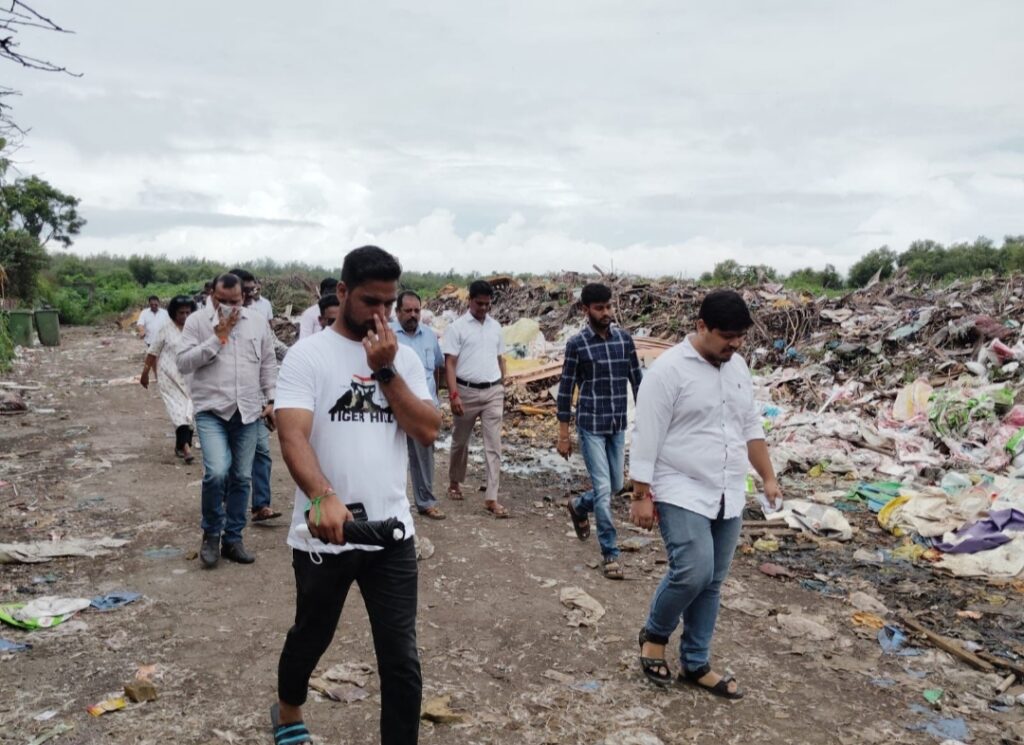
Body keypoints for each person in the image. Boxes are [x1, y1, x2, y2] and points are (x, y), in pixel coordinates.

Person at [272, 245, 440, 745]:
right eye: (371, 302)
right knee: (312, 636)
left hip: (390, 532)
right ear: (343, 292)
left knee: (401, 658)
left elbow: (427, 430)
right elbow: (292, 435)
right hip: (325, 532)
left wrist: (385, 371)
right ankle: (287, 712)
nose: (381, 314)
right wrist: (321, 495)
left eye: (389, 303)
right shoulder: (308, 356)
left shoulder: (403, 358)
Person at [630, 289, 782, 698]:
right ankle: (654, 635)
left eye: (741, 336)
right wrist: (640, 494)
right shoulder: (668, 371)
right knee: (693, 571)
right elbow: (647, 432)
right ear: (701, 326)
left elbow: (750, 426)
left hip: (728, 488)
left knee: (712, 580)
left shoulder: (738, 367)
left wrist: (767, 476)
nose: (735, 344)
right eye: (727, 336)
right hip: (680, 484)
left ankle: (696, 663)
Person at [177, 273, 278, 568]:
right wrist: (217, 338)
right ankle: (211, 534)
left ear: (243, 298)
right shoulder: (197, 322)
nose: (229, 307)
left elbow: (268, 363)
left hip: (248, 411)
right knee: (217, 473)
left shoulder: (257, 322)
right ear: (212, 295)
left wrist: (272, 400)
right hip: (212, 411)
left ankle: (233, 538)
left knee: (242, 477)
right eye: (222, 301)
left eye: (235, 302)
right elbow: (183, 362)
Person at [556, 283, 643, 580]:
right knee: (604, 490)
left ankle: (579, 506)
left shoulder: (624, 341)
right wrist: (564, 434)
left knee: (616, 485)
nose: (606, 313)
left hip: (617, 425)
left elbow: (638, 382)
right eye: (599, 308)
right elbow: (565, 390)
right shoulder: (577, 344)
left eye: (609, 306)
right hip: (590, 425)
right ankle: (610, 553)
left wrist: (648, 422)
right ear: (586, 310)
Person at [443, 280, 508, 517]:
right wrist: (454, 396)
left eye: (487, 304)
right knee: (460, 442)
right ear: (469, 300)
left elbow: (500, 359)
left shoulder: (495, 327)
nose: (483, 308)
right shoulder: (457, 328)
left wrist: (501, 384)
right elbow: (450, 364)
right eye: (479, 303)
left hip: (492, 392)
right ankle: (454, 482)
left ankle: (491, 498)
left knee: (494, 445)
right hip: (465, 392)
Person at [230, 267, 282, 523]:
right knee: (230, 459)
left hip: (256, 403)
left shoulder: (258, 320)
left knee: (261, 451)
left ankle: (261, 505)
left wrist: (302, 355)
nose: (252, 294)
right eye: (246, 290)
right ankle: (228, 504)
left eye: (252, 290)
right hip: (225, 404)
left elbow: (273, 351)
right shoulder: (209, 322)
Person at [392, 290, 446, 520]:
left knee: (424, 456)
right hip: (394, 408)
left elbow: (438, 368)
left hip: (422, 408)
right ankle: (391, 503)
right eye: (408, 311)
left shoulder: (430, 336)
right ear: (397, 312)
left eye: (416, 310)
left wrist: (435, 400)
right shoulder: (387, 335)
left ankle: (426, 502)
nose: (413, 315)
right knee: (391, 455)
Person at [140, 295, 199, 463]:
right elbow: (152, 352)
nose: (185, 316)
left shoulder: (195, 329)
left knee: (189, 412)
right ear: (174, 313)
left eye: (188, 312)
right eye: (181, 313)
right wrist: (145, 374)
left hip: (190, 377)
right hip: (168, 376)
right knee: (178, 412)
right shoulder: (165, 329)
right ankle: (186, 448)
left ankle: (181, 445)